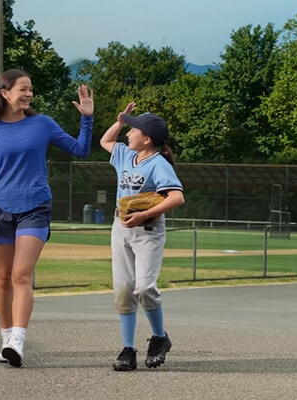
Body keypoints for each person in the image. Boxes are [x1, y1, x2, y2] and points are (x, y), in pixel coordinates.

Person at [0, 69, 95, 367]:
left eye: (30, 90)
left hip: (35, 208)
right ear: (5, 92)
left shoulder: (43, 124)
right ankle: (5, 338)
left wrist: (87, 118)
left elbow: (80, 150)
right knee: (2, 279)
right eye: (22, 89)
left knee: (21, 274)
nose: (28, 94)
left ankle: (18, 340)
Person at [98, 103, 185, 371]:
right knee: (124, 289)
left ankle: (159, 338)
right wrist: (121, 120)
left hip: (147, 230)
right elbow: (106, 140)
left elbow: (177, 197)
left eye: (133, 129)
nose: (128, 134)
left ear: (147, 139)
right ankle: (128, 348)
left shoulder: (158, 163)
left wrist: (147, 214)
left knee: (145, 287)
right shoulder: (125, 154)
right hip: (121, 226)